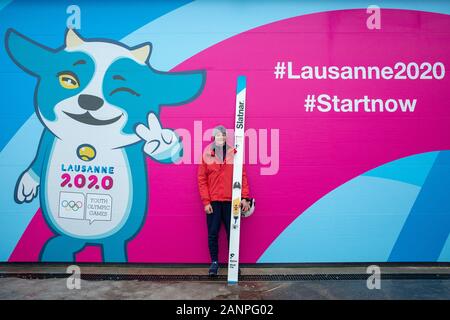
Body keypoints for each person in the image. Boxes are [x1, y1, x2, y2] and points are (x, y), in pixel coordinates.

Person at [198, 125, 251, 276]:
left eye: (223, 135)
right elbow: (202, 180)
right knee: (213, 233)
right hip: (213, 202)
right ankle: (214, 263)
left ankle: (232, 264)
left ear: (226, 137)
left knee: (232, 234)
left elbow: (243, 177)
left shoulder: (234, 154)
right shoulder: (207, 155)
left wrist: (245, 197)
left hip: (231, 201)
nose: (220, 138)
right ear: (213, 138)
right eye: (217, 136)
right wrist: (206, 202)